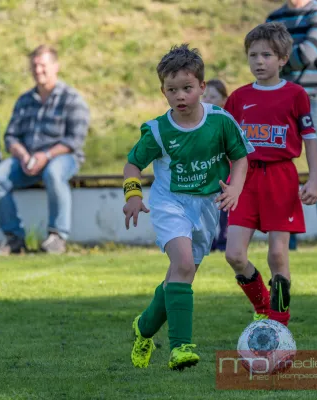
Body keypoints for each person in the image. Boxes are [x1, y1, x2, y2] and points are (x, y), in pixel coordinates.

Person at [123, 44, 254, 370]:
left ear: (201, 87)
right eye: (172, 90)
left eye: (187, 88)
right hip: (170, 205)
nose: (180, 96)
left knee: (179, 278)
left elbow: (240, 156)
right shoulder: (158, 130)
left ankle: (143, 328)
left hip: (206, 207)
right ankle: (181, 349)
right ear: (163, 91)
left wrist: (235, 187)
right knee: (181, 262)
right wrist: (133, 196)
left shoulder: (220, 121)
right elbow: (132, 165)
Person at [223, 22, 317, 327]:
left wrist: (314, 178)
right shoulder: (238, 98)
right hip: (245, 180)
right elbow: (223, 143)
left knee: (278, 255)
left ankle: (279, 321)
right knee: (234, 254)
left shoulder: (295, 95)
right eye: (253, 55)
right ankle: (263, 305)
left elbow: (310, 137)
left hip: (281, 178)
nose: (259, 61)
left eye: (266, 55)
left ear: (282, 59)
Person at [0, 45, 91, 256]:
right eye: (34, 66)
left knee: (53, 173)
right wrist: (24, 155)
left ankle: (57, 236)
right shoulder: (24, 100)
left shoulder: (72, 98)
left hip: (63, 157)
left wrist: (46, 155)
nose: (38, 70)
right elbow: (10, 136)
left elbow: (75, 140)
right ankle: (14, 238)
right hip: (27, 159)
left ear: (55, 66)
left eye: (43, 65)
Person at [267, 0, 317, 251]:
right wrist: (272, 58)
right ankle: (286, 241)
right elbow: (265, 58)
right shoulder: (274, 18)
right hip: (281, 100)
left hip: (313, 101)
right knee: (279, 171)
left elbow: (307, 54)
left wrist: (275, 57)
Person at [202, 79, 230, 252]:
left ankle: (224, 241)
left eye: (213, 96)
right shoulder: (197, 121)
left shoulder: (226, 121)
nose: (208, 100)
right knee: (206, 209)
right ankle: (208, 241)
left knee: (224, 210)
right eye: (205, 96)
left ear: (223, 100)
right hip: (206, 174)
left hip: (225, 174)